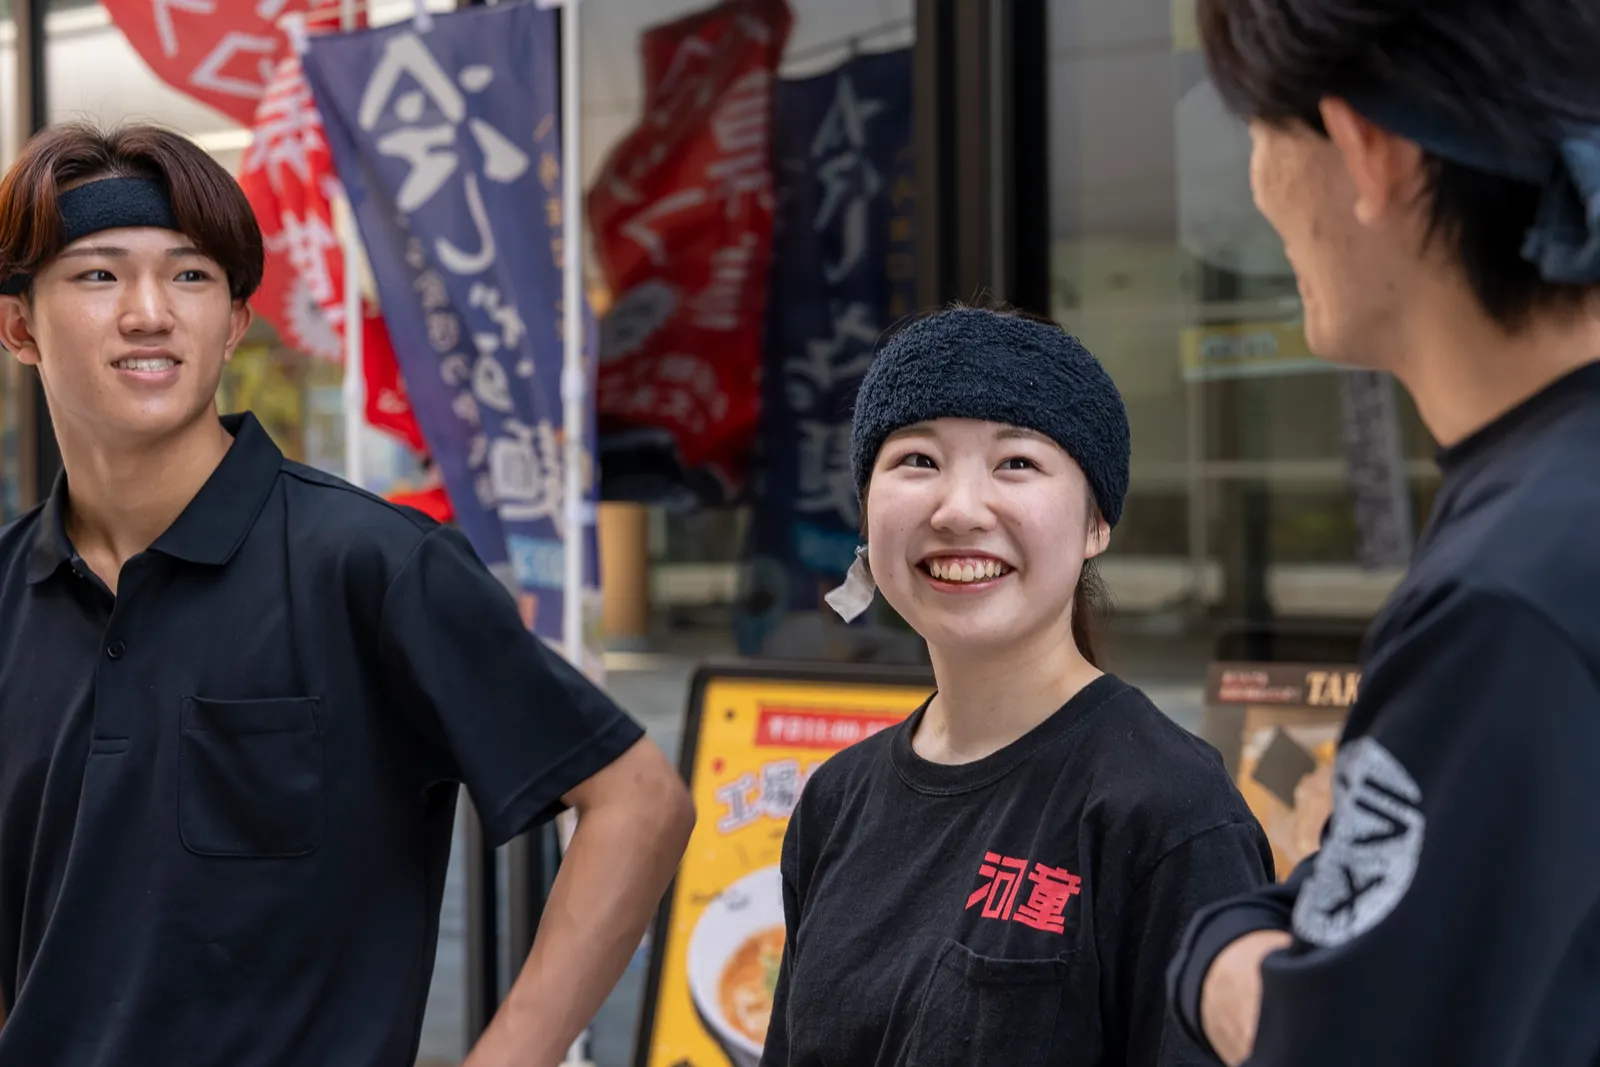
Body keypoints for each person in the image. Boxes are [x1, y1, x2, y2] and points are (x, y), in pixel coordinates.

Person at [0, 122, 694, 1066]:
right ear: (20, 327)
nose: (149, 311)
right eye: (98, 274)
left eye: (192, 275)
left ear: (234, 323)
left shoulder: (373, 565)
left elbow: (638, 803)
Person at [1165, 2, 1600, 1065]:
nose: (1258, 189)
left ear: (1368, 151)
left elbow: (1336, 1032)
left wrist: (1216, 956)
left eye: (1261, 135)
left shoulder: (1507, 595)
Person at [760, 306, 1274, 1067]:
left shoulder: (1168, 807)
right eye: (917, 460)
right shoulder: (836, 801)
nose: (959, 511)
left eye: (1017, 464)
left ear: (1097, 522)